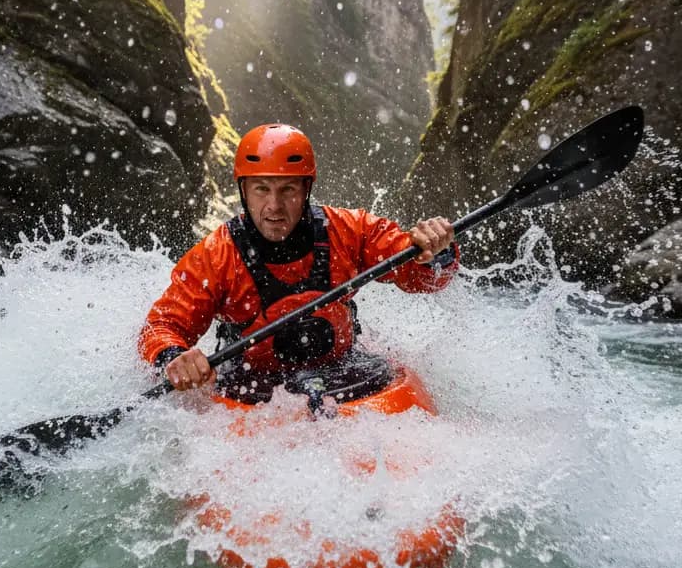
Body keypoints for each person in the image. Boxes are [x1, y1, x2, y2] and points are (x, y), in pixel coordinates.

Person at [138, 123, 458, 392]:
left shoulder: (349, 231)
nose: (274, 206)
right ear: (243, 190)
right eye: (262, 189)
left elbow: (417, 273)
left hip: (341, 368)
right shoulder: (216, 255)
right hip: (252, 381)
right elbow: (162, 325)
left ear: (306, 190)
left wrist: (434, 251)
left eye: (288, 190)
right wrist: (173, 357)